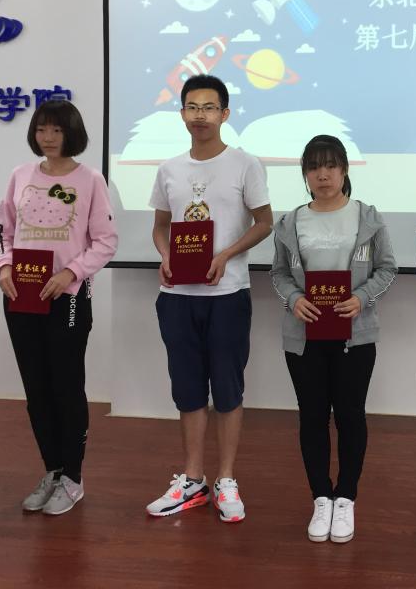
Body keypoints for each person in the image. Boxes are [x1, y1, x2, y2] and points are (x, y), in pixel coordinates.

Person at [145, 74, 272, 523]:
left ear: (224, 113)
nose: (200, 115)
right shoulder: (169, 169)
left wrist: (226, 255)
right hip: (177, 295)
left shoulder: (244, 164)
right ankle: (193, 479)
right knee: (187, 389)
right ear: (182, 113)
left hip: (226, 294)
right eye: (192, 107)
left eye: (209, 107)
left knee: (228, 388)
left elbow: (264, 222)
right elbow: (161, 227)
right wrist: (165, 256)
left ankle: (226, 478)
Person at [0, 99, 118, 516]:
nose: (47, 137)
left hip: (68, 298)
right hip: (21, 296)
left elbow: (106, 241)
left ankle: (73, 479)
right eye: (41, 129)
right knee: (36, 389)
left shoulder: (90, 180)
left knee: (66, 386)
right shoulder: (19, 175)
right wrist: (3, 267)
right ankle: (53, 470)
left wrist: (71, 273)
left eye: (57, 130)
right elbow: (1, 231)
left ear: (71, 133)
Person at [270, 135, 397, 543]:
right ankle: (321, 497)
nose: (322, 175)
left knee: (350, 416)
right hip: (304, 336)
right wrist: (294, 299)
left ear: (344, 170)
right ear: (305, 174)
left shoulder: (368, 218)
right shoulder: (289, 223)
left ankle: (346, 498)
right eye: (313, 167)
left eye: (330, 166)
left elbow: (387, 268)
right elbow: (279, 274)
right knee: (311, 417)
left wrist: (362, 298)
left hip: (354, 336)